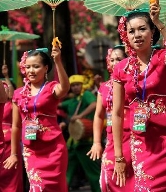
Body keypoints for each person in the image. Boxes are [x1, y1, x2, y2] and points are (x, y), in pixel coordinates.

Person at [112, 5, 166, 191]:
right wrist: (119, 156)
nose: (137, 35)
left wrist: (159, 22)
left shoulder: (163, 58)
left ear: (152, 31)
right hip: (141, 142)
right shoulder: (121, 68)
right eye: (131, 31)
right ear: (126, 36)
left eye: (142, 29)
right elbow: (118, 114)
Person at [3, 47, 70, 191]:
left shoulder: (51, 88)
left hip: (54, 149)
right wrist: (14, 154)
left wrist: (57, 61)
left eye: (36, 66)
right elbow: (16, 126)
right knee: (38, 186)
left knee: (58, 187)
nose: (31, 71)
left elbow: (65, 88)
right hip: (31, 150)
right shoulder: (18, 94)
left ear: (46, 68)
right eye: (27, 67)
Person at [87, 45, 131, 191]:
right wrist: (96, 142)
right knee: (109, 180)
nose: (114, 62)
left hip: (132, 137)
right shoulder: (104, 87)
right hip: (112, 140)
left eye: (118, 59)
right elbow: (99, 115)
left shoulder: (133, 83)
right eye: (111, 59)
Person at [59, 74, 100, 192]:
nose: (75, 87)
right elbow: (59, 106)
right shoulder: (71, 101)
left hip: (86, 142)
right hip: (73, 143)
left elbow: (94, 104)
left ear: (82, 85)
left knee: (92, 173)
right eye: (73, 86)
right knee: (66, 172)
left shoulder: (86, 95)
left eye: (77, 85)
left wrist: (80, 116)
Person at [1, 67, 23, 192]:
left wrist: (6, 76)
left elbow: (12, 93)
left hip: (11, 141)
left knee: (12, 173)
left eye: (6, 87)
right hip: (0, 141)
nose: (5, 89)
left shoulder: (12, 104)